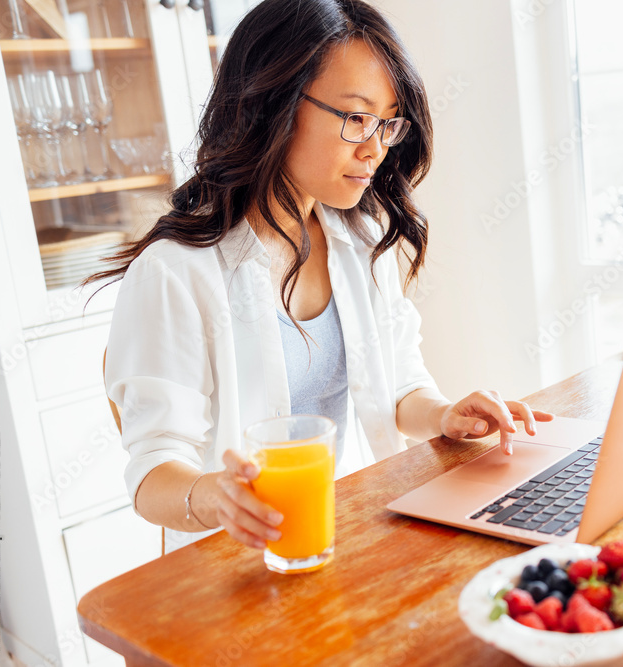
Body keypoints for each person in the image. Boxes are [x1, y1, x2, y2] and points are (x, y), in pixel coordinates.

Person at [91, 0, 553, 553]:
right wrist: (216, 495)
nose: (376, 147)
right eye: (355, 117)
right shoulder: (174, 273)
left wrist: (444, 414)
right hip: (235, 567)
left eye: (387, 123)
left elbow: (400, 385)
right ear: (271, 105)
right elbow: (152, 475)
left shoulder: (359, 237)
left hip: (347, 537)